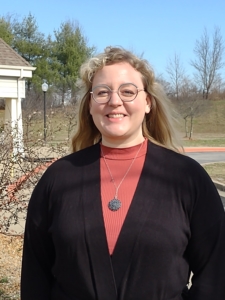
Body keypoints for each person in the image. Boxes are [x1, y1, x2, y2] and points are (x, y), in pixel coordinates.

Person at [21, 46, 225, 300]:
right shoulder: (58, 179)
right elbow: (34, 277)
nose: (114, 101)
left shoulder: (187, 178)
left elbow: (216, 274)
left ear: (148, 102)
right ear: (90, 105)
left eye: (128, 91)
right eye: (102, 92)